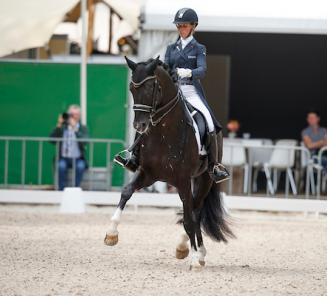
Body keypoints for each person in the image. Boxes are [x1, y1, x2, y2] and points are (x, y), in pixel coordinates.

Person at [115, 8, 229, 183]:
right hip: (173, 91)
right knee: (148, 117)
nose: (181, 29)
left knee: (208, 120)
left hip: (191, 90)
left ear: (193, 27)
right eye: (179, 26)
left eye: (184, 26)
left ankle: (214, 165)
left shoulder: (199, 48)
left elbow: (202, 70)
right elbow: (166, 68)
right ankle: (133, 155)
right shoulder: (171, 48)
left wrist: (187, 72)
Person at [50, 105, 89, 190]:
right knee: (61, 166)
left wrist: (75, 128)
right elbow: (51, 139)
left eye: (75, 114)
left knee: (80, 167)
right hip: (63, 158)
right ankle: (61, 190)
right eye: (71, 114)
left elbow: (85, 141)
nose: (73, 117)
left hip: (78, 158)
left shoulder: (82, 128)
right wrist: (59, 124)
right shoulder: (63, 128)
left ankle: (75, 189)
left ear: (79, 116)